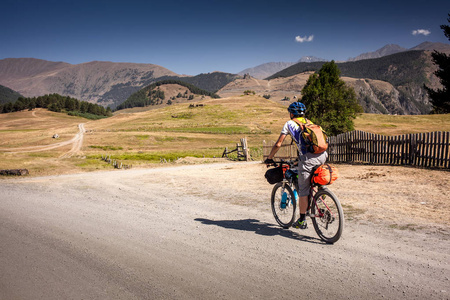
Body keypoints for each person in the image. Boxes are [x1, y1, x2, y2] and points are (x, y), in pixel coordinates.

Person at [264, 102, 327, 229]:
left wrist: (269, 158)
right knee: (314, 177)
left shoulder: (289, 123)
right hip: (323, 155)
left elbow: (278, 144)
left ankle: (302, 221)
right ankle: (321, 194)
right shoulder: (308, 122)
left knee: (303, 190)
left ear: (291, 113)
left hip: (308, 159)